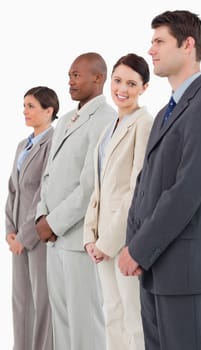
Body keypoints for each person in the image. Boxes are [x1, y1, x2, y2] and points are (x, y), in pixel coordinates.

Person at [118, 10, 201, 350]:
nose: (150, 50)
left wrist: (137, 249)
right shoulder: (169, 110)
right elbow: (147, 184)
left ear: (187, 45)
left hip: (184, 272)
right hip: (155, 268)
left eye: (159, 41)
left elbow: (186, 192)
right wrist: (133, 243)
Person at [35, 52, 117, 350]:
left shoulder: (107, 119)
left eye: (76, 75)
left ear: (98, 78)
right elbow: (49, 174)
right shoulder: (67, 118)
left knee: (85, 322)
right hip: (52, 239)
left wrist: (54, 222)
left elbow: (91, 186)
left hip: (77, 238)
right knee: (62, 322)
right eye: (69, 75)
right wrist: (41, 217)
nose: (70, 81)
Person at [83, 53, 153, 350]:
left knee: (132, 320)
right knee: (111, 315)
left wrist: (106, 242)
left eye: (131, 83)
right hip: (100, 238)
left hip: (124, 239)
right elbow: (97, 187)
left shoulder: (144, 123)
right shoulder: (108, 127)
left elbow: (136, 189)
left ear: (144, 87)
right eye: (118, 80)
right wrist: (89, 236)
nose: (122, 88)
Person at [5, 86, 59, 350]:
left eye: (31, 106)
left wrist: (25, 236)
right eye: (24, 105)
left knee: (42, 301)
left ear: (49, 111)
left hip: (38, 236)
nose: (25, 111)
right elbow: (12, 190)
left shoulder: (54, 143)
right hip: (18, 237)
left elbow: (43, 194)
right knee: (21, 301)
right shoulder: (21, 146)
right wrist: (9, 231)